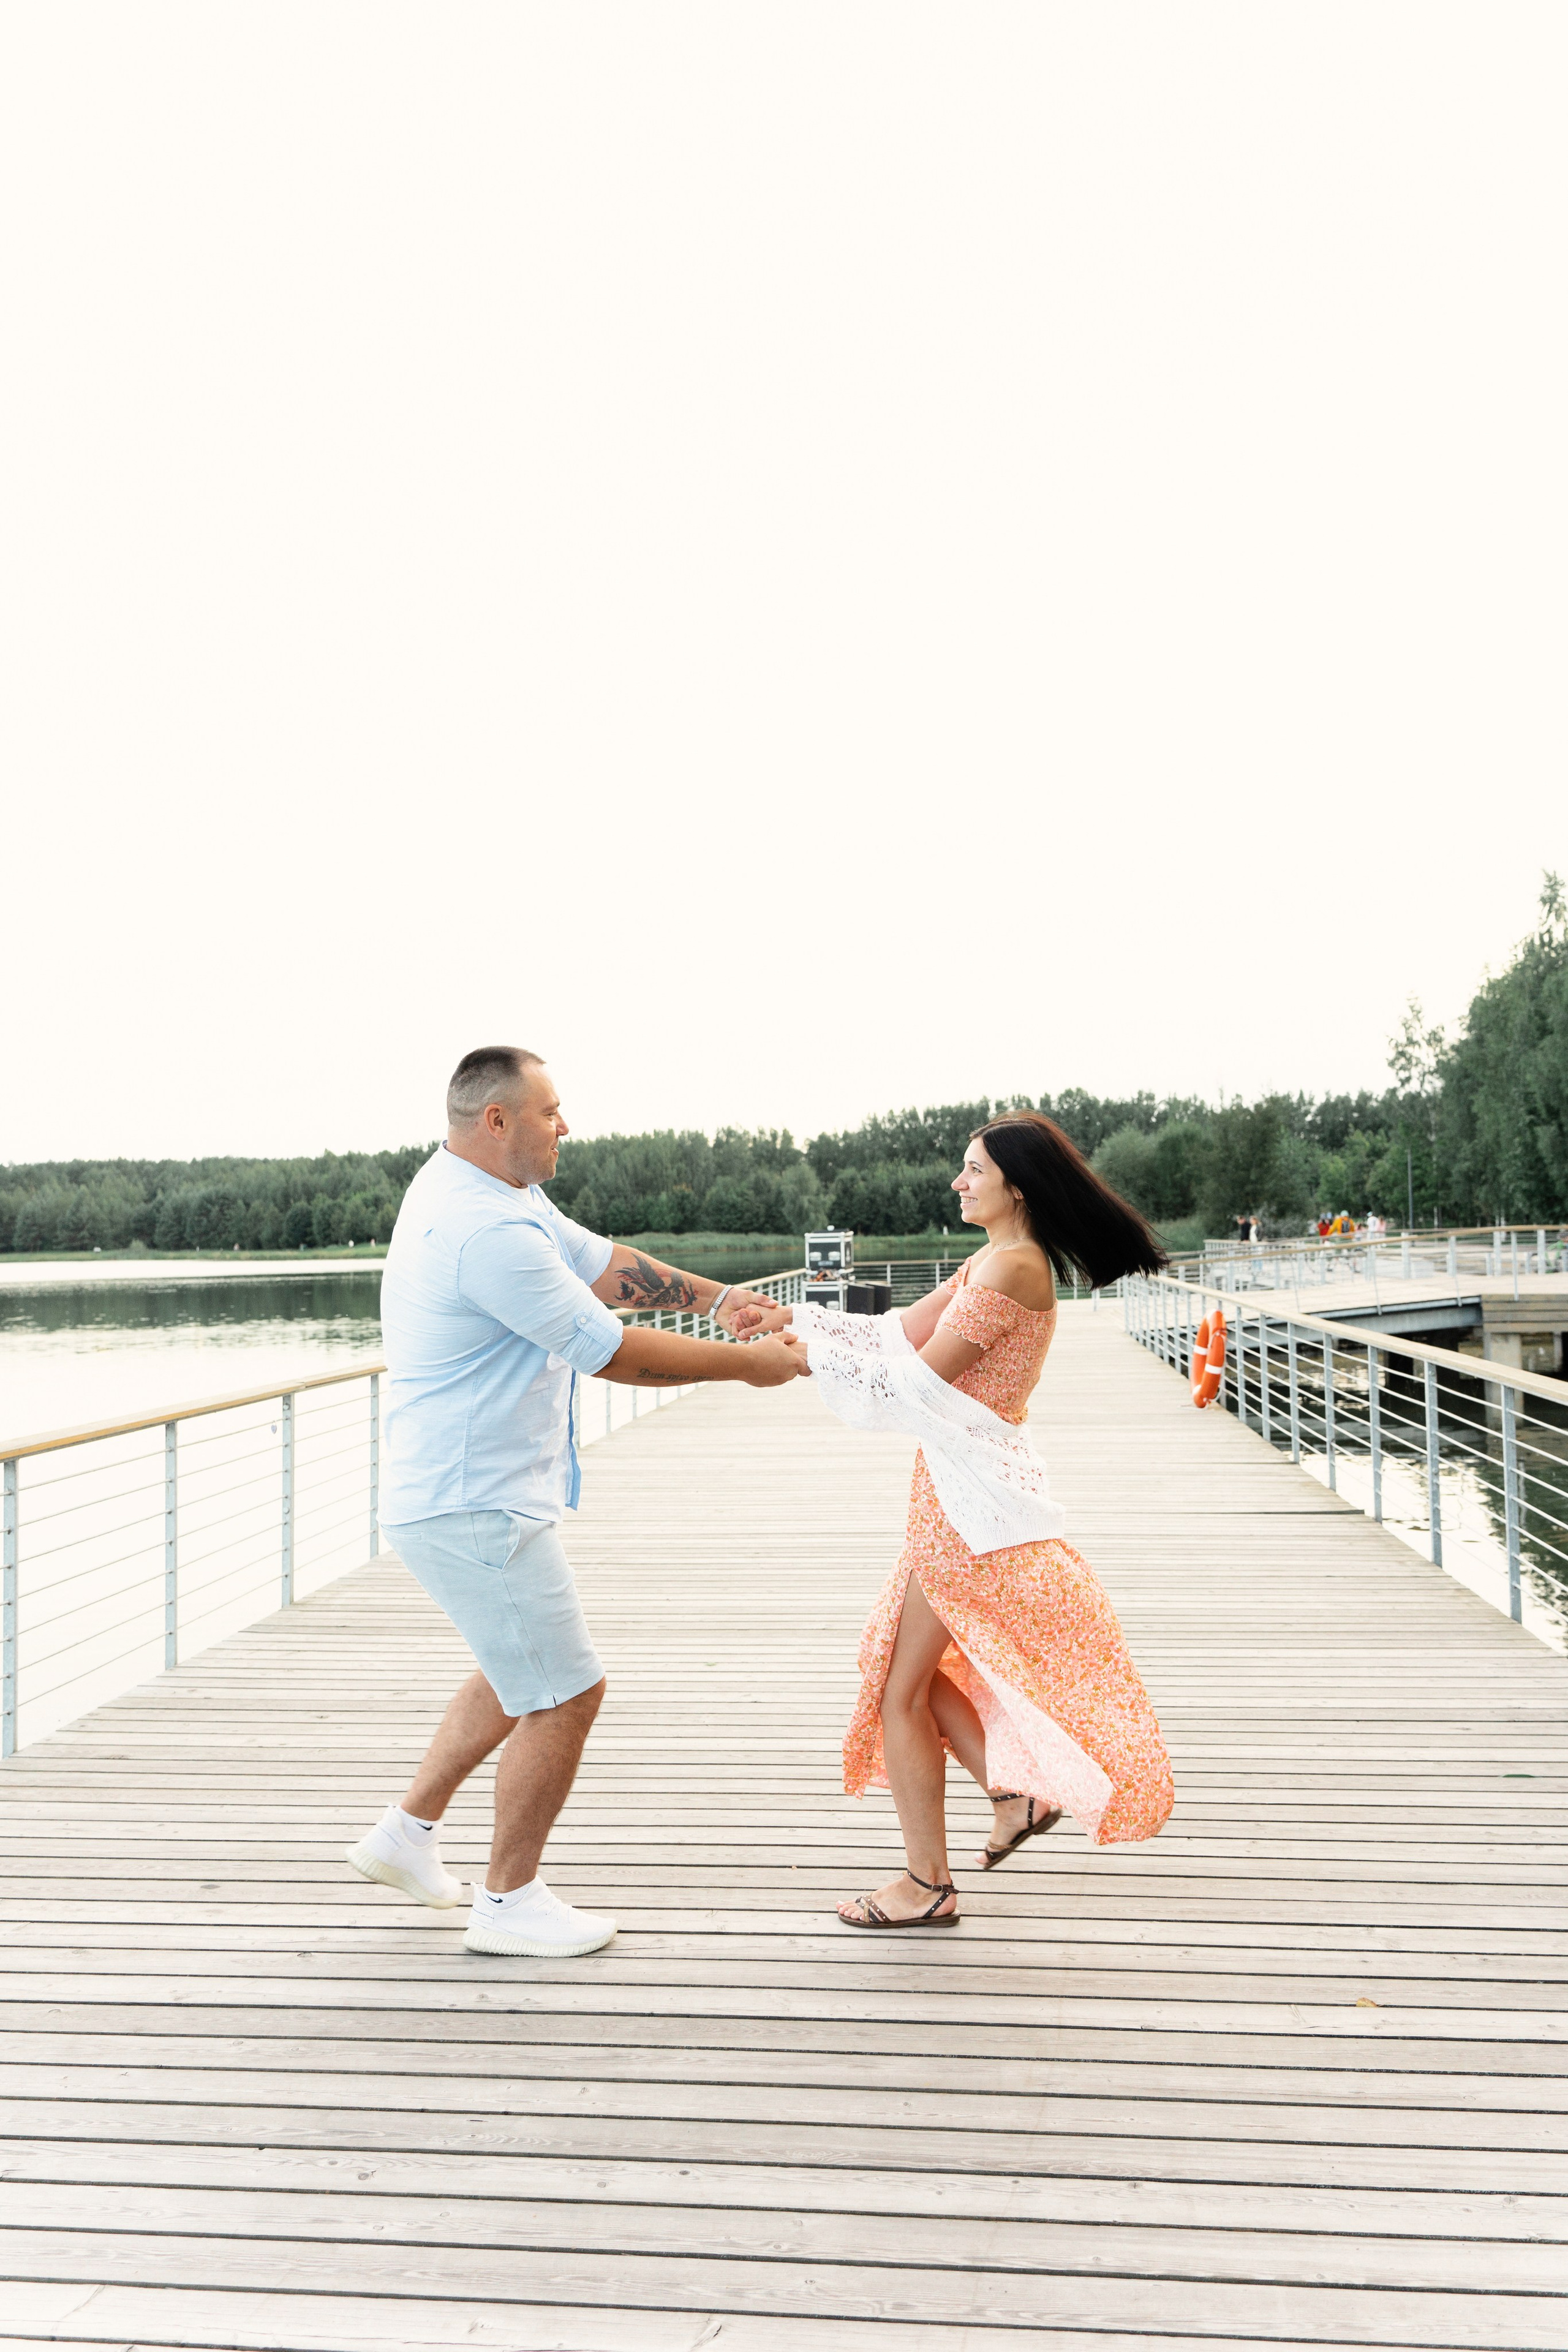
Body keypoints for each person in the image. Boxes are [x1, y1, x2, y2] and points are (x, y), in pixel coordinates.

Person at [345, 1046, 809, 1959]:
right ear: (498, 1121)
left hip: (462, 1492)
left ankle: (404, 1836)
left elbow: (606, 1268)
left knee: (515, 1671)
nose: (567, 1126)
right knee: (565, 1691)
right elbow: (611, 1350)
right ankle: (509, 1902)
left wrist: (721, 1301)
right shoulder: (484, 1231)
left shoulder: (498, 1196)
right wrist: (754, 1367)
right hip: (471, 1500)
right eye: (553, 1111)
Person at [737, 1113, 1175, 1928]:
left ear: (1016, 1183)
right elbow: (896, 1333)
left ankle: (927, 1883)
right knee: (902, 1675)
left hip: (971, 1509)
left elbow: (918, 1384)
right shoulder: (995, 1259)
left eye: (972, 1169)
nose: (957, 1181)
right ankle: (1008, 1797)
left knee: (898, 1689)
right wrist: (792, 1324)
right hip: (959, 1496)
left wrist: (802, 1362)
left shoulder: (1014, 1269)